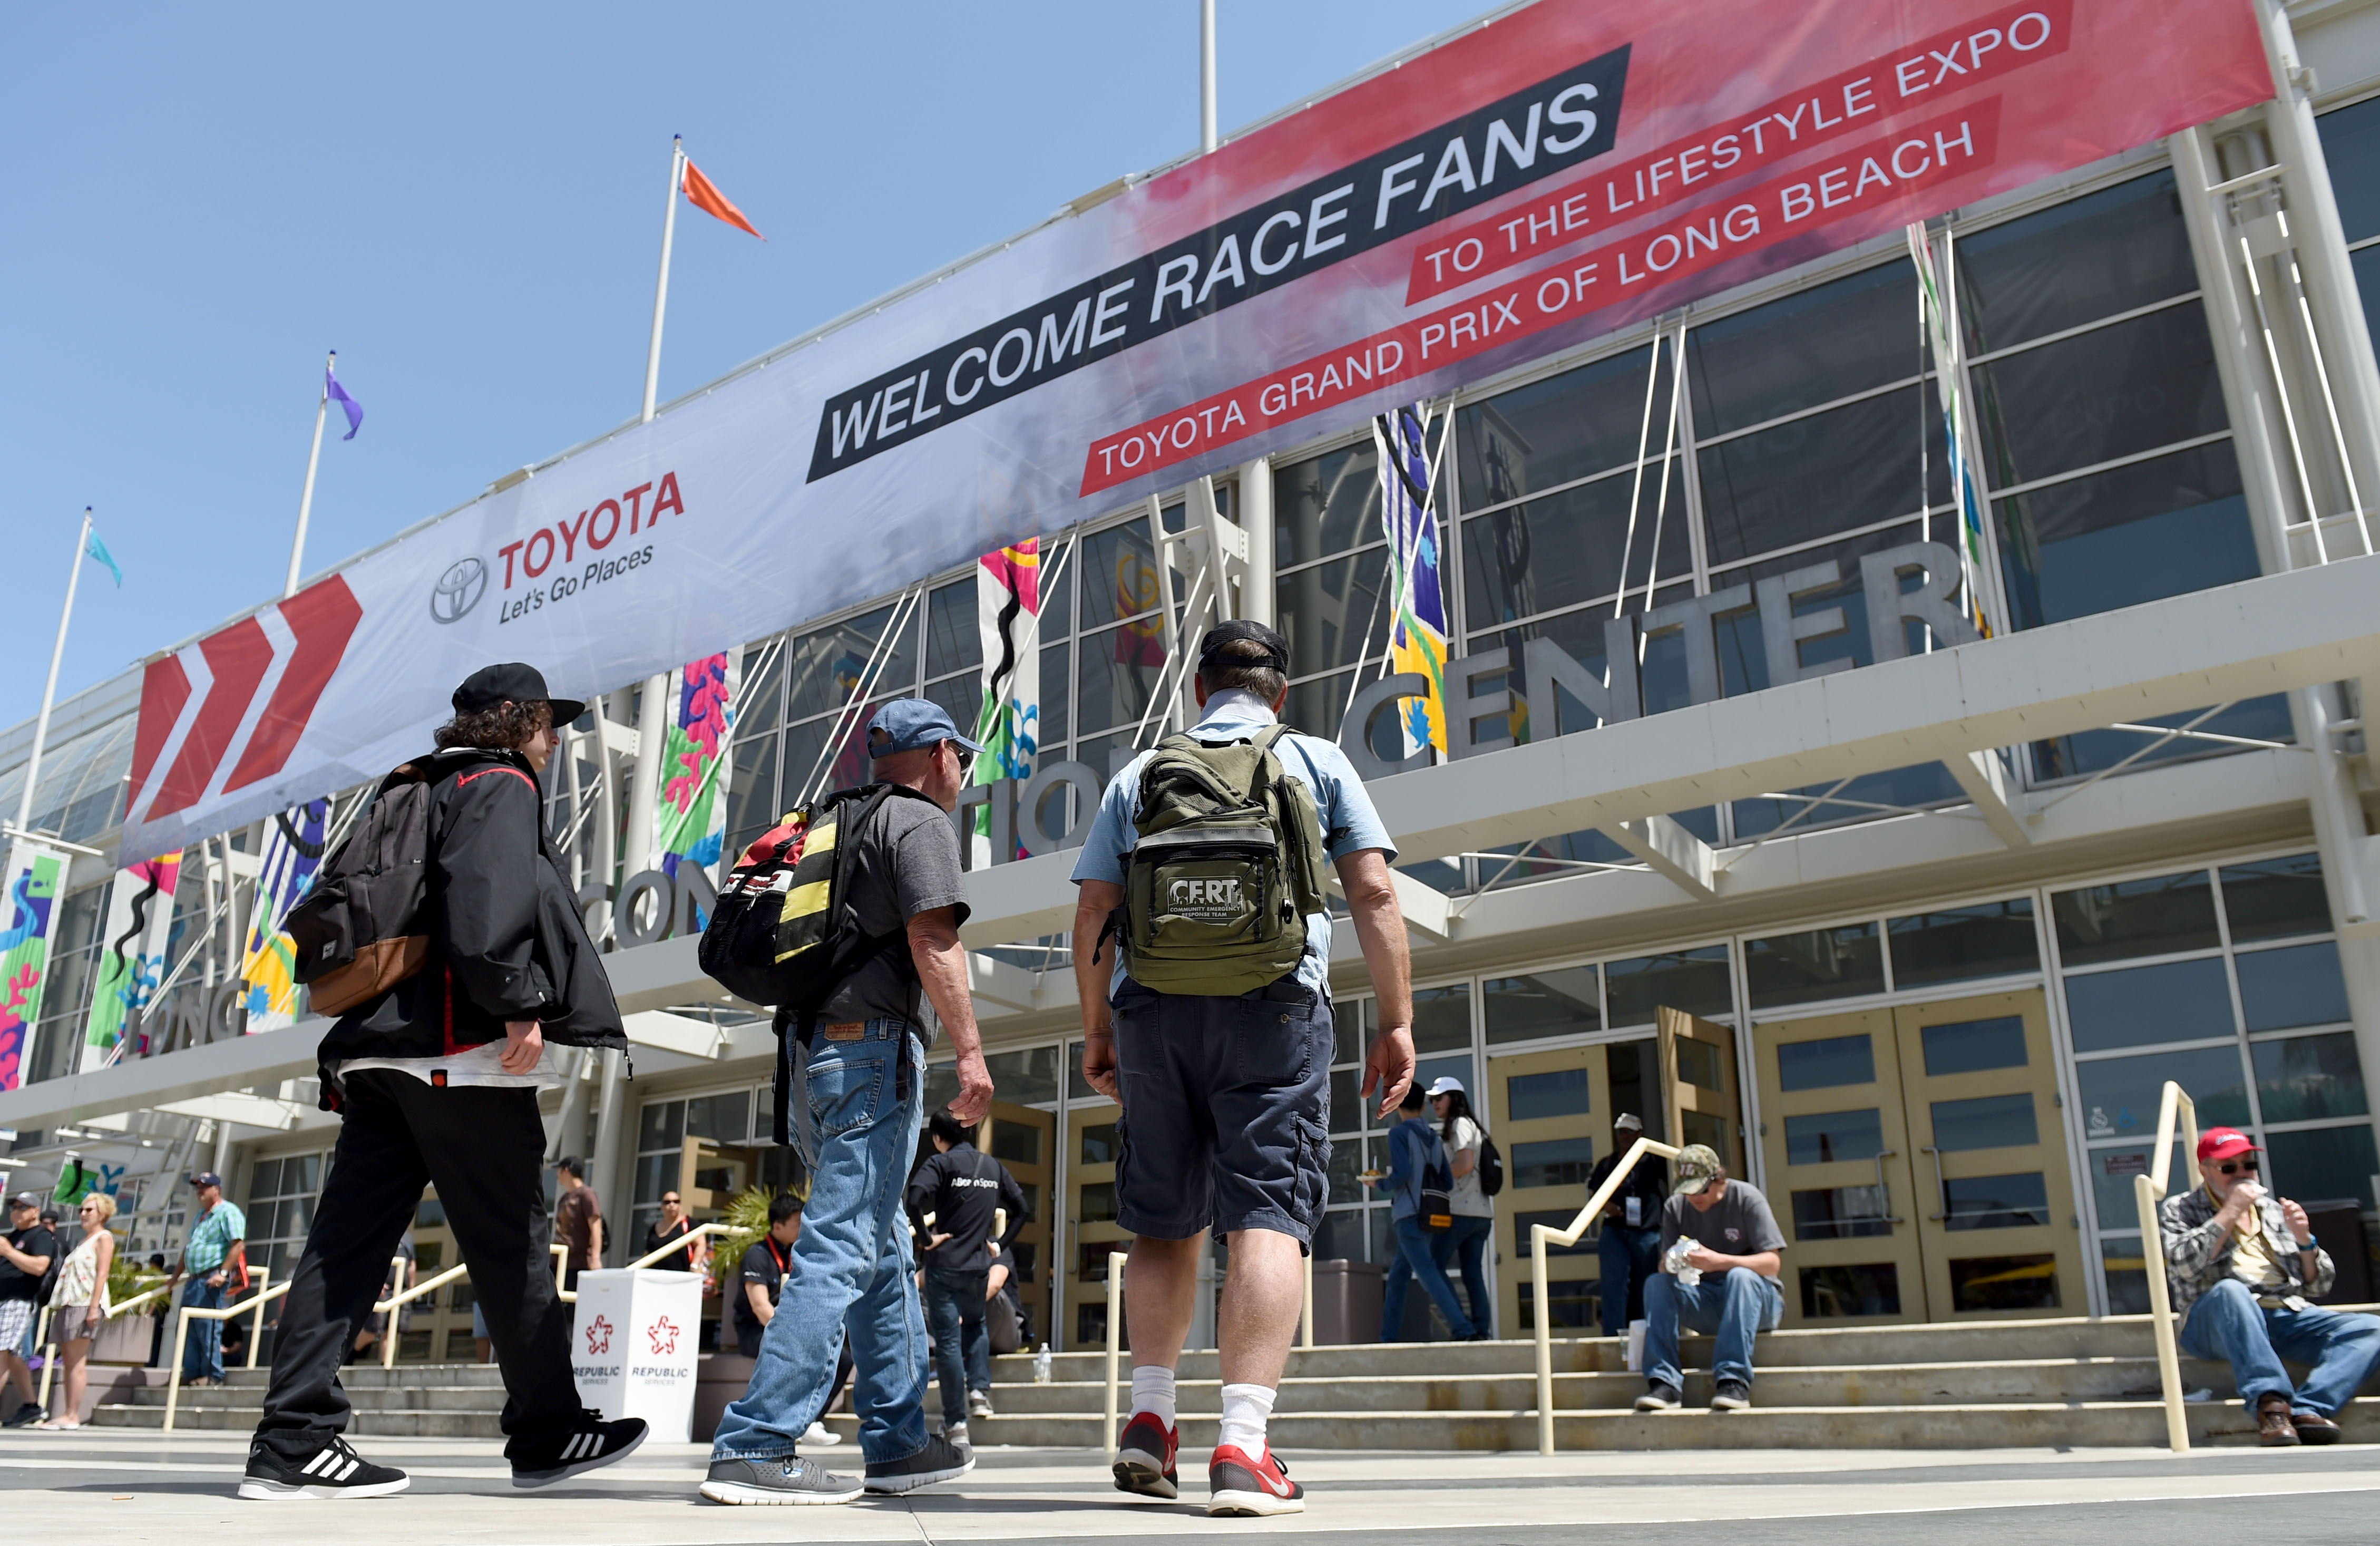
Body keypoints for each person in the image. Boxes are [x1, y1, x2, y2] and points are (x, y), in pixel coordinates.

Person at [242, 663, 645, 1501]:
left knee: (344, 1247)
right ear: (515, 720)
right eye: (547, 721)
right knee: (512, 1246)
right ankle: (547, 1430)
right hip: (456, 1051)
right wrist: (518, 1004)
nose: (558, 736)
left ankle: (292, 1440)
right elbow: (484, 904)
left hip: (379, 1052)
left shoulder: (412, 785)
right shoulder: (498, 782)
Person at [1074, 620, 1416, 1517]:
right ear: (1281, 691)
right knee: (1266, 1212)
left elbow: (1093, 913)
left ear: (1198, 688)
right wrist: (1398, 1021)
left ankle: (1150, 1421)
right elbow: (1374, 890)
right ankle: (1244, 1447)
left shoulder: (1141, 773)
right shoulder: (1317, 759)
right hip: (1276, 1007)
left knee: (1161, 1218)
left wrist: (1097, 1027)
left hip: (1150, 1009)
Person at [701, 698, 993, 1506]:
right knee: (840, 1241)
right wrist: (969, 1051)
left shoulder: (838, 819)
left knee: (882, 1240)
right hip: (869, 1050)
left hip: (808, 1055)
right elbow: (934, 938)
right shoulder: (918, 820)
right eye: (960, 757)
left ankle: (898, 1441)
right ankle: (756, 1441)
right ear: (939, 753)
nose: (963, 773)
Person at [2160, 1125, 2380, 1445]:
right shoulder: (2180, 1208)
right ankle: (2270, 1404)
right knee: (2231, 1291)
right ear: (2204, 1170)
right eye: (2228, 1168)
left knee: (2371, 1328)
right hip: (2212, 1320)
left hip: (2282, 1313)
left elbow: (2319, 1286)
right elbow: (2183, 1265)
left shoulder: (2272, 1211)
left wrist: (2306, 1242)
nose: (2242, 1175)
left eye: (2248, 1165)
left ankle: (2309, 1409)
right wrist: (2231, 1210)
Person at [906, 1108, 1028, 1445]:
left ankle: (956, 1424)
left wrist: (927, 1239)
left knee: (947, 1342)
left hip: (945, 1267)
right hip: (978, 1266)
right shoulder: (993, 1167)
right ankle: (979, 1393)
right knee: (975, 1328)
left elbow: (914, 1199)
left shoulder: (939, 1164)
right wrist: (999, 1244)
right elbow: (1023, 1210)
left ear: (937, 1138)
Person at [1635, 1144, 1785, 1414]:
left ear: (1719, 1179)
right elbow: (1663, 1269)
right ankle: (1664, 1383)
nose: (1695, 1197)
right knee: (1656, 1284)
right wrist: (1673, 1261)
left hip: (1758, 1301)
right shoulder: (1676, 1207)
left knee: (1740, 1276)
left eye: (1701, 1189)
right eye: (1688, 1190)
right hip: (1707, 1301)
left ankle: (1732, 1381)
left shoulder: (1747, 1198)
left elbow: (1773, 1264)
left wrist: (1719, 1261)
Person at [732, 1192, 846, 1448]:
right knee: (798, 1352)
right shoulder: (757, 1255)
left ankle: (810, 1421)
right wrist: (793, 1335)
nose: (802, 1226)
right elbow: (761, 1307)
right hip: (758, 1330)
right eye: (797, 1222)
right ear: (777, 1226)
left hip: (793, 1327)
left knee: (842, 1358)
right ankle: (782, 1423)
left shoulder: (801, 1254)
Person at [1371, 1086, 1479, 1343]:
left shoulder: (1398, 1133)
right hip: (1431, 1216)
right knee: (1398, 1277)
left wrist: (1379, 1184)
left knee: (1428, 1273)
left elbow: (1402, 1174)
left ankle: (1463, 1329)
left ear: (1398, 1105)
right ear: (1422, 1107)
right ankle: (1388, 1338)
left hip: (1408, 1214)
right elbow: (1447, 1182)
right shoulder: (1432, 1136)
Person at [43, 1193, 118, 1428]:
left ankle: (72, 1414)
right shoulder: (84, 1240)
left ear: (103, 1214)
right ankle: (67, 1412)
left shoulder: (104, 1238)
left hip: (86, 1304)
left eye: (89, 1210)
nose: (83, 1214)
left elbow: (102, 1273)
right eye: (82, 1210)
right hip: (70, 1302)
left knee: (76, 1361)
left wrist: (94, 1307)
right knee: (68, 1360)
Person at [1588, 1113, 1665, 1338]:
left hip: (1647, 1231)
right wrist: (1607, 1206)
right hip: (1615, 1230)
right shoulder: (1608, 1164)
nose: (1625, 1137)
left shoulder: (1653, 1161)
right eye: (1621, 1132)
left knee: (1648, 1285)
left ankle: (1651, 1335)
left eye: (1629, 1132)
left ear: (1640, 1134)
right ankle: (1614, 1338)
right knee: (1614, 1285)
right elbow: (1594, 1193)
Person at [1429, 1076, 1494, 1336]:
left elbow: (1465, 1164)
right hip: (1480, 1215)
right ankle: (1479, 1330)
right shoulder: (1470, 1125)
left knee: (1432, 1266)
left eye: (1439, 1098)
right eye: (1432, 1099)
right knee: (1472, 1274)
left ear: (1454, 1099)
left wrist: (1434, 1177)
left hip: (1459, 1212)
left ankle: (1464, 1327)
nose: (1434, 1103)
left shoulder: (1460, 1124)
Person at [174, 1171, 246, 1388]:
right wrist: (173, 1280)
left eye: (205, 1187)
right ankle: (192, 1372)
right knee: (190, 1328)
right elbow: (189, 1249)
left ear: (217, 1189)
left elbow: (238, 1245)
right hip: (195, 1279)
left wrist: (223, 1273)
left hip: (211, 1278)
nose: (200, 1191)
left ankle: (213, 1374)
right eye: (198, 1187)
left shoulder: (228, 1212)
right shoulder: (201, 1215)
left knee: (208, 1327)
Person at [0, 1192, 57, 1427]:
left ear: (35, 1211)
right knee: (13, 1358)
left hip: (18, 1301)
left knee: (2, 1350)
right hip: (4, 1300)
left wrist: (9, 1252)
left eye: (23, 1207)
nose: (16, 1210)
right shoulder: (15, 1235)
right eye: (14, 1206)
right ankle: (30, 1406)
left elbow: (40, 1266)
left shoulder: (41, 1235)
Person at [349, 1232, 415, 1364]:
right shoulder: (382, 1230)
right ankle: (349, 1356)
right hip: (381, 1292)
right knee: (373, 1330)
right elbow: (368, 1260)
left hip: (401, 1292)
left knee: (391, 1331)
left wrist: (412, 1289)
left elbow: (412, 1264)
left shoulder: (408, 1238)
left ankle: (385, 1365)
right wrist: (374, 1283)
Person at [555, 1159, 602, 1288]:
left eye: (558, 1170)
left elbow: (596, 1227)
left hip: (578, 1264)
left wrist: (595, 1257)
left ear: (566, 1170)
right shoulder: (564, 1198)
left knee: (572, 1305)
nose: (557, 1175)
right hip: (559, 1263)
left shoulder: (586, 1194)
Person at [643, 1190, 708, 1273]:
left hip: (681, 1277)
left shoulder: (689, 1223)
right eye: (667, 1202)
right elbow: (647, 1252)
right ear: (662, 1207)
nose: (672, 1205)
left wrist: (694, 1266)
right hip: (655, 1276)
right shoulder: (654, 1228)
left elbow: (701, 1244)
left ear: (680, 1205)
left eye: (676, 1202)